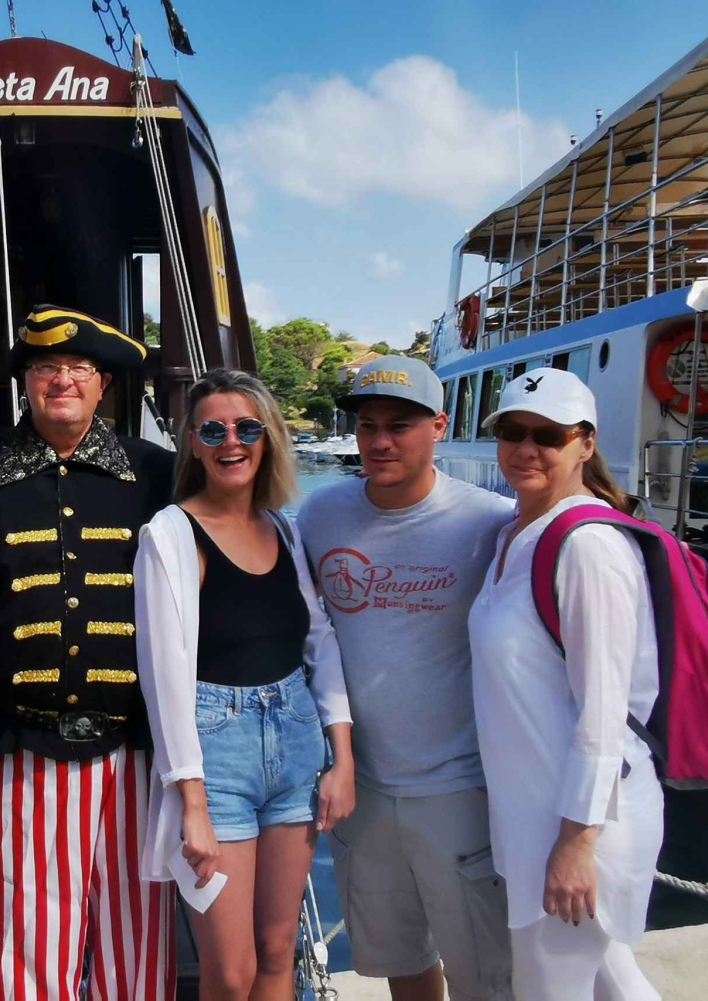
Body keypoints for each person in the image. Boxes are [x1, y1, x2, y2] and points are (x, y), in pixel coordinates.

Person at [0, 305, 175, 1001]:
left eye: (79, 367)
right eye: (47, 366)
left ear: (102, 383)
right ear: (26, 381)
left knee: (137, 950)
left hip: (138, 755)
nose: (62, 379)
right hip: (16, 753)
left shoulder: (163, 476)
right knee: (23, 949)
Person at [295, 356, 515, 1001]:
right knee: (402, 964)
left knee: (488, 976)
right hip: (361, 787)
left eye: (400, 425)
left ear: (439, 427)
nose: (381, 441)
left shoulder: (492, 521)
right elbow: (310, 635)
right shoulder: (321, 515)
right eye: (368, 426)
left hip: (460, 788)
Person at [135, 369, 355, 1001]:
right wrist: (192, 805)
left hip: (295, 742)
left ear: (269, 437)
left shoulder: (283, 529)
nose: (231, 442)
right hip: (215, 757)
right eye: (213, 430)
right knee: (230, 975)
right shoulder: (170, 535)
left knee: (278, 950)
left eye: (246, 428)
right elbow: (163, 678)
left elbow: (319, 641)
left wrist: (342, 757)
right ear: (193, 444)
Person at [467, 368, 663, 1001]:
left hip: (580, 826)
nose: (526, 449)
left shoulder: (588, 546)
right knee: (615, 983)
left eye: (548, 435)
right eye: (512, 432)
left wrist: (576, 843)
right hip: (534, 816)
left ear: (586, 444)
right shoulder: (515, 532)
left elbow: (605, 709)